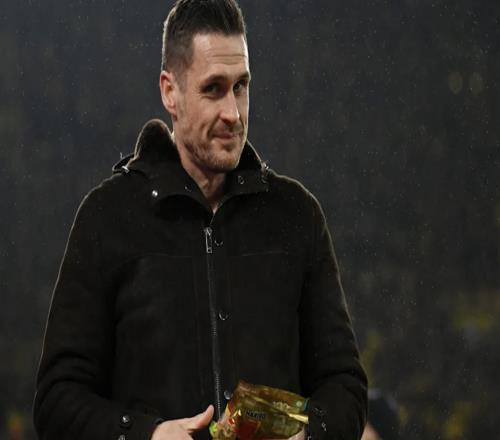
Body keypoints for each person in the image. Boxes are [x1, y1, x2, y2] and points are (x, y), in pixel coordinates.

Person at [33, 1, 367, 439]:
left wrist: (304, 434)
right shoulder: (108, 217)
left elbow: (345, 387)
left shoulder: (297, 216)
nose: (233, 112)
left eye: (241, 86)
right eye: (213, 89)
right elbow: (57, 400)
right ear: (170, 92)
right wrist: (148, 435)